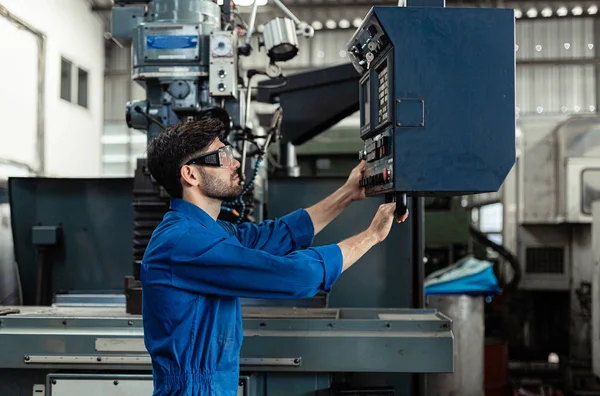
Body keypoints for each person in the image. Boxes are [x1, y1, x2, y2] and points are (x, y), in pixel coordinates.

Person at [140, 118, 409, 396]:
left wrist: (348, 193)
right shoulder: (184, 242)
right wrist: (372, 235)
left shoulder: (208, 231)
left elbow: (277, 235)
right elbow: (299, 276)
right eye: (222, 156)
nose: (234, 163)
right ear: (190, 175)